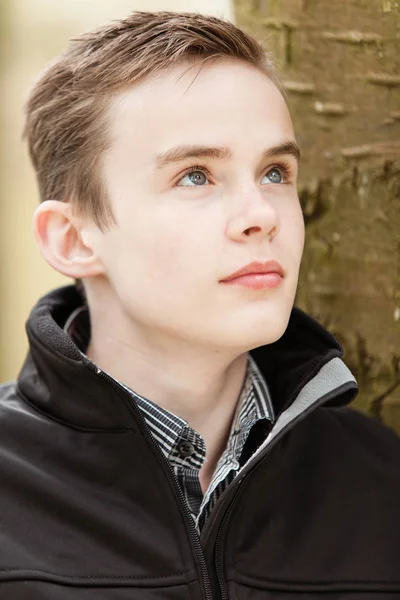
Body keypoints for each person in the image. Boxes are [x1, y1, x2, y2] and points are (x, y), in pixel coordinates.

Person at [0, 10, 399, 600]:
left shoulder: (383, 487)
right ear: (74, 239)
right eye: (195, 176)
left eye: (274, 172)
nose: (262, 215)